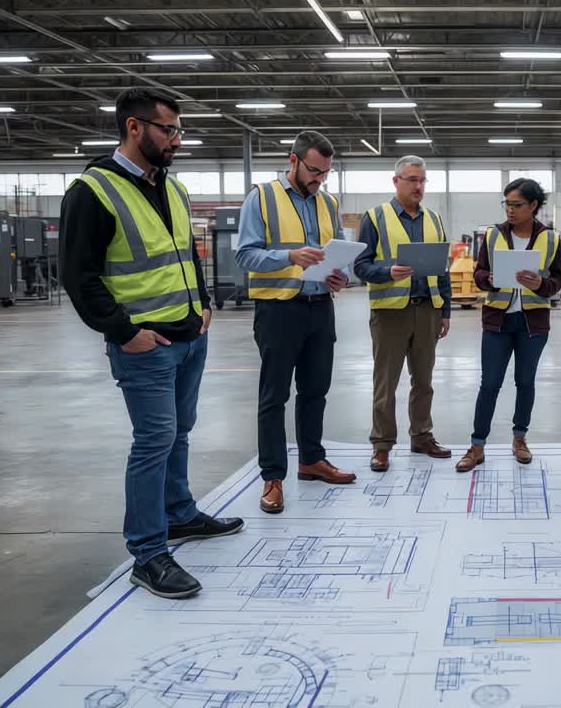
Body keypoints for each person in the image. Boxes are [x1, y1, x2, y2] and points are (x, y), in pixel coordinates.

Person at [60, 88, 242, 600]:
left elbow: (186, 252)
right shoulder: (92, 191)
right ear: (134, 128)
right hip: (146, 344)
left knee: (180, 431)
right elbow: (78, 275)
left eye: (180, 131)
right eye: (169, 131)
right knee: (153, 441)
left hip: (189, 334)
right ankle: (147, 552)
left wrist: (204, 302)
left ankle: (179, 514)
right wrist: (123, 332)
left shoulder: (174, 188)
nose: (177, 141)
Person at [235, 131, 356, 515]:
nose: (319, 179)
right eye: (314, 171)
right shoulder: (262, 197)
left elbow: (336, 253)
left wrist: (340, 276)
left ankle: (311, 460)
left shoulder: (328, 202)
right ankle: (273, 477)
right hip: (278, 310)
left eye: (325, 173)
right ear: (294, 160)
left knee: (315, 391)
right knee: (274, 397)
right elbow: (245, 255)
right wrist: (289, 256)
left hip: (320, 307)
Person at [455, 178, 561, 472]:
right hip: (497, 320)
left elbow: (557, 281)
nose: (510, 210)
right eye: (507, 204)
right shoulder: (492, 235)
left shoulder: (552, 240)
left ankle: (520, 439)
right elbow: (479, 271)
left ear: (533, 206)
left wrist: (542, 283)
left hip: (533, 323)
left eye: (517, 205)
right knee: (489, 383)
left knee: (525, 382)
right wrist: (486, 280)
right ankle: (477, 445)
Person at [353, 156, 454, 471]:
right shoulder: (375, 218)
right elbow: (360, 266)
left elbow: (443, 269)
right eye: (412, 180)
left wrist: (446, 310)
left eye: (423, 180)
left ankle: (422, 436)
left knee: (424, 381)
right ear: (395, 181)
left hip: (428, 310)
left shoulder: (434, 219)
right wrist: (387, 271)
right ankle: (382, 444)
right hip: (390, 314)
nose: (418, 186)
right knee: (386, 382)